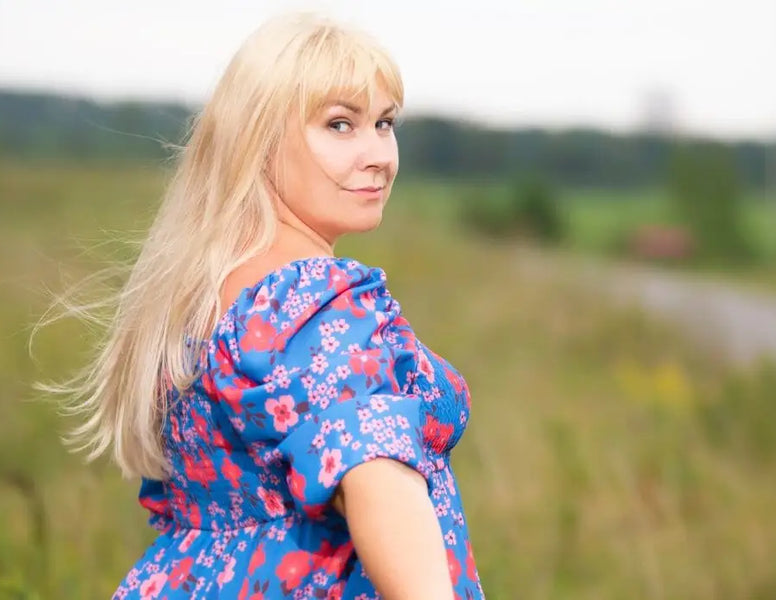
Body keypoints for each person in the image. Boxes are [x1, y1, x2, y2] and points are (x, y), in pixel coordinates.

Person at [48, 11, 484, 599]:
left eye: (384, 123)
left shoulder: (200, 291)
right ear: (257, 136)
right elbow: (376, 474)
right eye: (339, 125)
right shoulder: (308, 299)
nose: (379, 154)